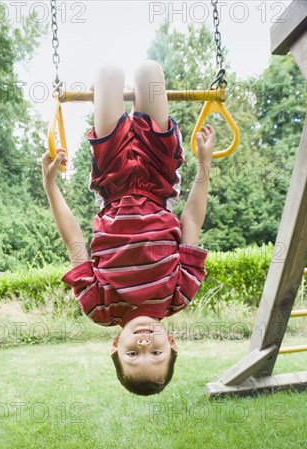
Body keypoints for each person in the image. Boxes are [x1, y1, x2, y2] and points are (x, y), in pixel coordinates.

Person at [42, 60, 216, 396]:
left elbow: (75, 241)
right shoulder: (180, 293)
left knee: (107, 74)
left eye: (133, 354)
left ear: (115, 345)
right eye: (156, 352)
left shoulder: (99, 305)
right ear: (172, 343)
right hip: (158, 175)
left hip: (112, 178)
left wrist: (51, 188)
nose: (144, 343)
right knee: (149, 72)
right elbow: (191, 220)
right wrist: (204, 165)